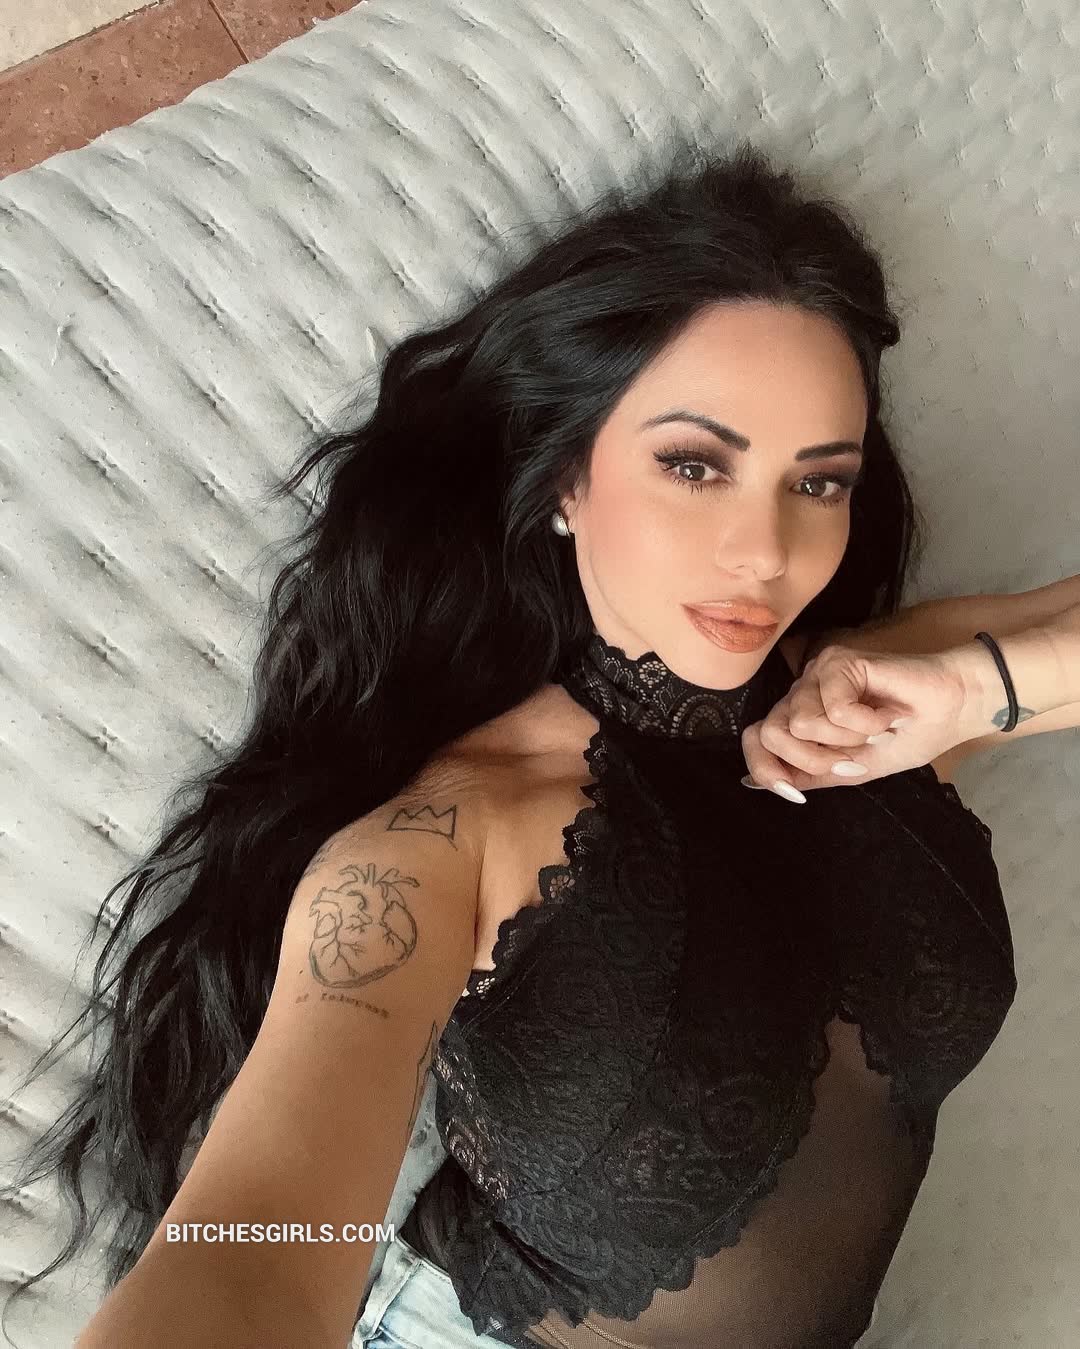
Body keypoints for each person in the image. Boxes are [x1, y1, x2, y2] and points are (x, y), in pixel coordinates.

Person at [1, 139, 1016, 1349]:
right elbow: (260, 1240)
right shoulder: (450, 838)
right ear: (565, 479)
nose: (765, 552)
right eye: (694, 465)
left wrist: (981, 686)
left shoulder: (878, 695)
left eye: (819, 482)